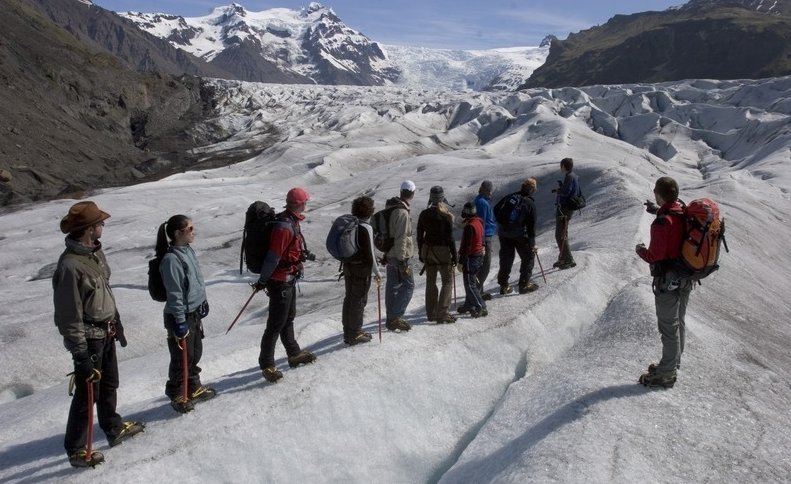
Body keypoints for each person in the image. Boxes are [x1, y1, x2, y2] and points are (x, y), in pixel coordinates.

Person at [52, 201, 144, 468]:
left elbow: (104, 291)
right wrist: (79, 352)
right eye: (100, 223)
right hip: (90, 338)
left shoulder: (94, 254)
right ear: (89, 229)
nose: (103, 225)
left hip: (105, 331)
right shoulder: (70, 267)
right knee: (86, 394)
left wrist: (116, 320)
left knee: (109, 384)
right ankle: (77, 449)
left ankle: (113, 428)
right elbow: (69, 315)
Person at [252, 188, 317, 383]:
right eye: (304, 201)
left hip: (287, 279)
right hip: (280, 281)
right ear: (298, 203)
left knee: (287, 318)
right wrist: (263, 280)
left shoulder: (290, 221)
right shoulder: (284, 227)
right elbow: (273, 256)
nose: (306, 204)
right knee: (275, 324)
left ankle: (293, 353)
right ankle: (267, 364)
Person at [636, 176, 693, 389]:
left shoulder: (662, 222)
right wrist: (656, 210)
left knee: (669, 327)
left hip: (668, 280)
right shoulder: (682, 212)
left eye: (655, 192)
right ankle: (672, 363)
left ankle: (667, 373)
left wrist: (640, 249)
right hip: (686, 277)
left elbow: (655, 256)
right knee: (679, 321)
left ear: (660, 194)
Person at [156, 215, 216, 413]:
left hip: (193, 312)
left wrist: (202, 301)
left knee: (194, 353)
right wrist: (180, 322)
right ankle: (177, 393)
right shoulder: (171, 260)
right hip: (179, 316)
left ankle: (193, 387)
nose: (193, 232)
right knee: (182, 356)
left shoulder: (187, 251)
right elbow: (174, 294)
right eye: (190, 229)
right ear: (177, 233)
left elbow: (196, 279)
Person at [341, 196, 383, 345]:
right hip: (362, 269)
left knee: (349, 298)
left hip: (348, 266)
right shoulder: (366, 227)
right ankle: (355, 333)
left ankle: (347, 331)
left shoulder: (351, 224)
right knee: (359, 300)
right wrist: (377, 273)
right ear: (370, 211)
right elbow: (371, 254)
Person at [416, 186, 457, 324]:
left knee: (430, 281)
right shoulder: (446, 215)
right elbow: (450, 238)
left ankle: (431, 313)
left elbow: (419, 235)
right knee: (447, 281)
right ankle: (443, 313)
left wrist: (421, 251)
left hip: (428, 250)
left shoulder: (424, 214)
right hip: (443, 250)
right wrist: (455, 256)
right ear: (442, 198)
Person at [495, 178, 539, 295]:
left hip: (503, 233)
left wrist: (503, 225)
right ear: (532, 189)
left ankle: (504, 285)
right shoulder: (530, 203)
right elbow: (531, 226)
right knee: (528, 256)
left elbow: (496, 209)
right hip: (519, 235)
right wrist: (532, 242)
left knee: (506, 258)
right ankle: (524, 284)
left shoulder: (510, 197)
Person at [382, 180, 416, 331]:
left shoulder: (391, 208)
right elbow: (401, 237)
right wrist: (402, 260)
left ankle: (390, 316)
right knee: (409, 285)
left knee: (392, 286)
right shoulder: (402, 212)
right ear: (412, 193)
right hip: (399, 256)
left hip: (390, 253)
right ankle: (395, 317)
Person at [457, 202, 487, 318]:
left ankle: (481, 306)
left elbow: (467, 247)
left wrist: (461, 262)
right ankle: (468, 305)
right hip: (478, 255)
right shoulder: (478, 221)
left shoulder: (470, 226)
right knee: (470, 282)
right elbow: (482, 238)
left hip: (471, 257)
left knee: (470, 284)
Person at [553, 157, 579, 269]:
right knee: (563, 233)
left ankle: (568, 259)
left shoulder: (569, 177)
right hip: (569, 208)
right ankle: (563, 258)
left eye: (561, 166)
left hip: (564, 208)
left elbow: (566, 192)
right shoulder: (574, 176)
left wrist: (559, 191)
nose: (560, 168)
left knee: (560, 234)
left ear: (564, 166)